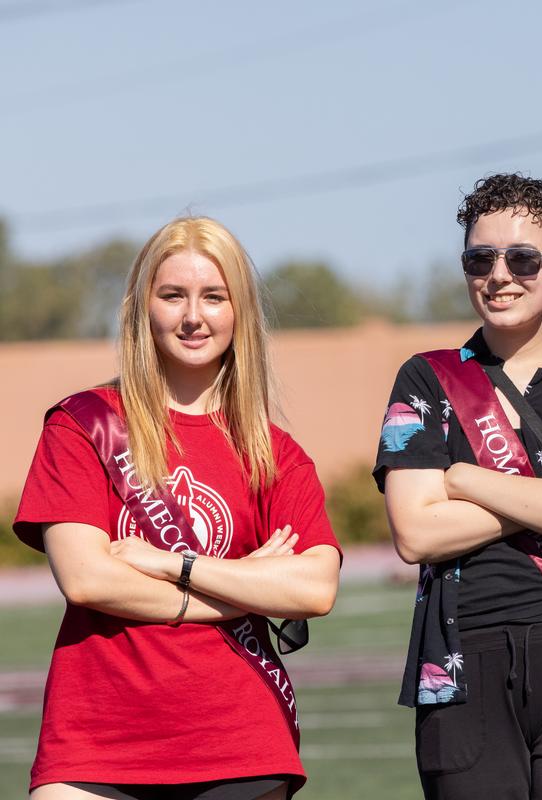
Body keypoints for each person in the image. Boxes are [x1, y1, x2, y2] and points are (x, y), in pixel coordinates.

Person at [12, 217, 342, 799]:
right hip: (95, 741)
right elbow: (87, 579)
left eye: (214, 297)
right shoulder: (82, 425)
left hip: (239, 740)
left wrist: (174, 563)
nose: (194, 316)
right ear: (144, 308)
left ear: (240, 312)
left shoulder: (275, 453)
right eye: (173, 296)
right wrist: (243, 586)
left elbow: (314, 589)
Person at [374, 173, 542, 799]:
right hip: (462, 669)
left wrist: (465, 479)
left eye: (522, 258)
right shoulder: (426, 381)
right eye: (480, 258)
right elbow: (416, 532)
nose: (499, 275)